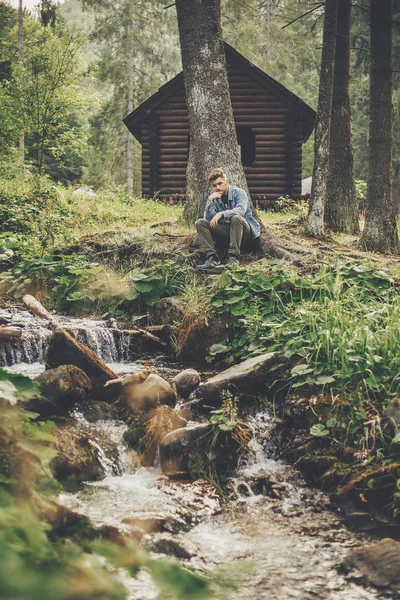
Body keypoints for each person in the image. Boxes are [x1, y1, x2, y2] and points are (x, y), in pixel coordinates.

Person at [195, 168, 260, 270]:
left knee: (236, 218)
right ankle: (212, 258)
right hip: (226, 234)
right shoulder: (215, 198)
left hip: (244, 234)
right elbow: (208, 220)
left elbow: (241, 211)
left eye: (220, 183)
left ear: (227, 182)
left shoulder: (239, 193)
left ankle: (233, 258)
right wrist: (209, 201)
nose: (218, 187)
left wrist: (221, 214)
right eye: (214, 185)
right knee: (200, 223)